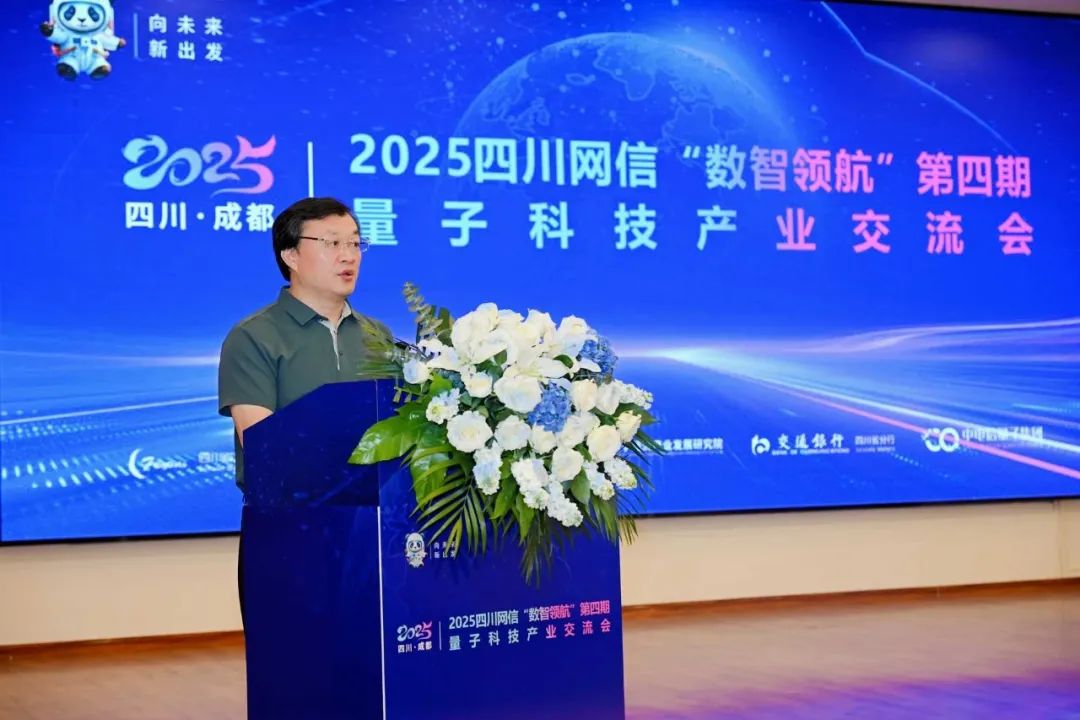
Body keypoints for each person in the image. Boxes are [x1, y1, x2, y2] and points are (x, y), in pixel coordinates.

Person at [217, 196, 392, 619]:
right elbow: (263, 445)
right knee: (293, 654)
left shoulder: (379, 337)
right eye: (332, 243)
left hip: (375, 534)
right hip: (287, 531)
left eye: (355, 242)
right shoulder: (254, 337)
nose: (349, 255)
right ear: (291, 255)